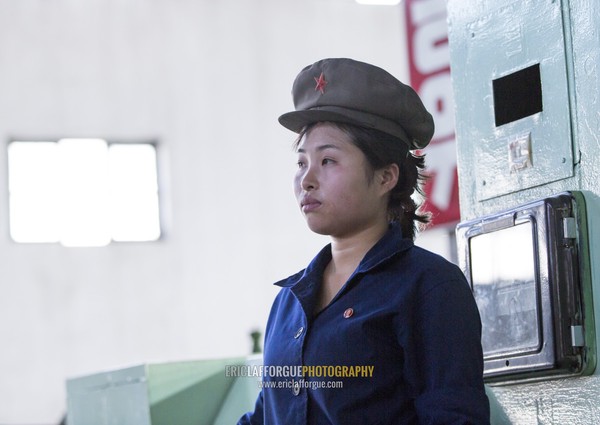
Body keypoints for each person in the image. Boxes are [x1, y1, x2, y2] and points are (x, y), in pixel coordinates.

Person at [238, 58, 490, 424]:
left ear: (386, 176)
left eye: (327, 161)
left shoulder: (429, 287)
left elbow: (453, 417)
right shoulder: (289, 302)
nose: (306, 180)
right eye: (301, 163)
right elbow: (269, 414)